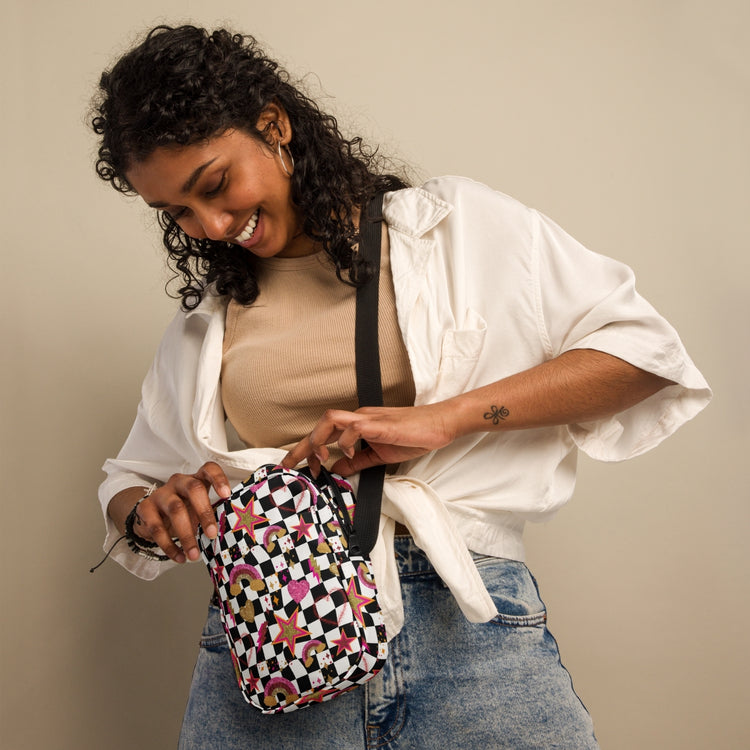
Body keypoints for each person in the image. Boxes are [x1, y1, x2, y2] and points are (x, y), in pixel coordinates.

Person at [91, 24, 711, 750]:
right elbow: (127, 482)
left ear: (274, 125)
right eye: (178, 213)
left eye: (215, 185)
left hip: (466, 626)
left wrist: (446, 419)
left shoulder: (451, 230)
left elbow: (643, 356)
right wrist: (153, 512)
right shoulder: (208, 321)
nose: (213, 225)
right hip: (277, 639)